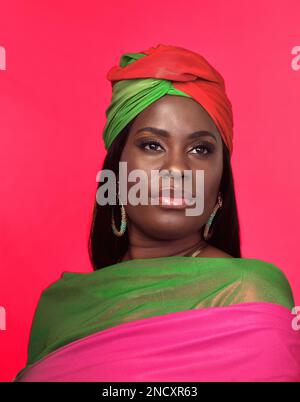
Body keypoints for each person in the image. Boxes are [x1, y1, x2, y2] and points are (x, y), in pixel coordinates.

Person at [13, 44, 300, 382]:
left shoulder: (249, 293)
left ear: (220, 188)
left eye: (200, 149)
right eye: (152, 145)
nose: (177, 168)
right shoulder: (60, 308)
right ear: (116, 174)